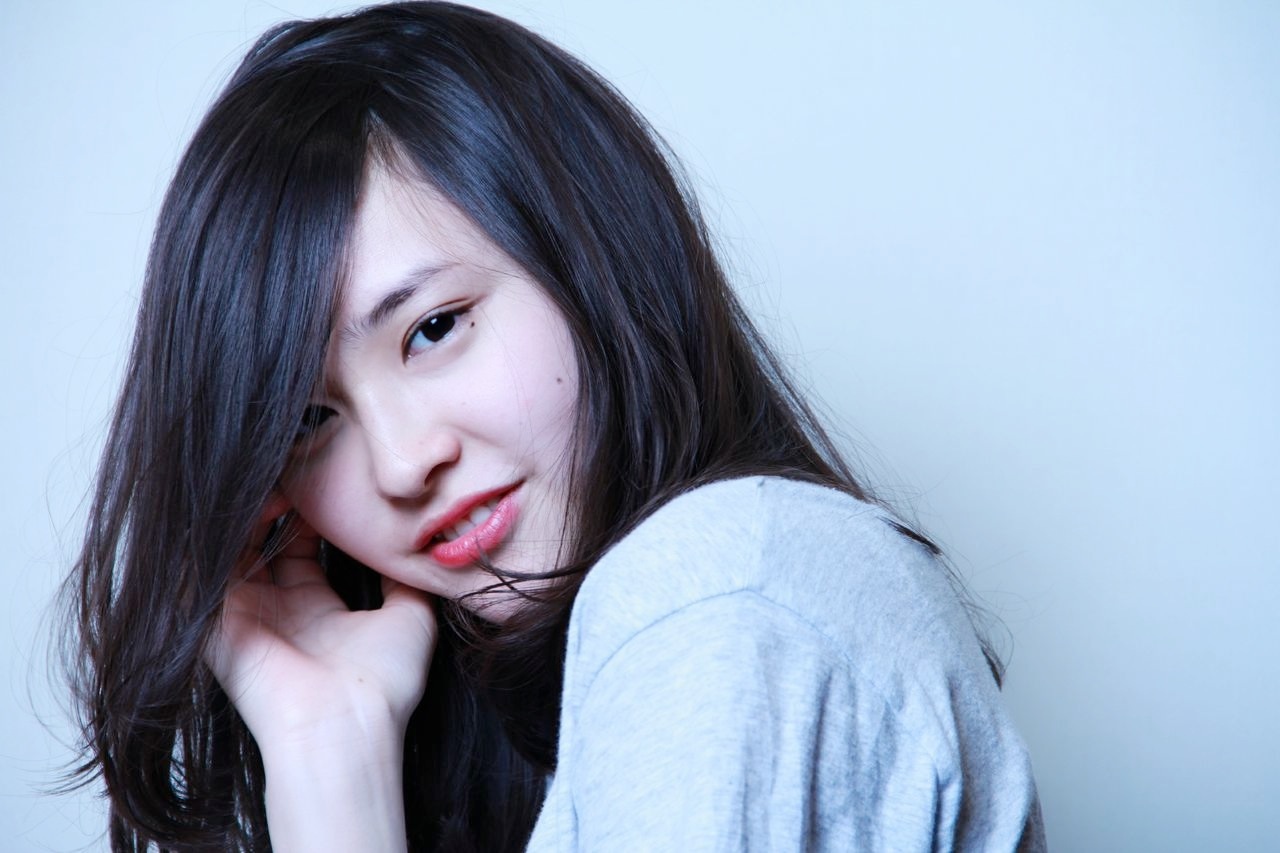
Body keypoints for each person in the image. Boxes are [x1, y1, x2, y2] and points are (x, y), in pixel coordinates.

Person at [65, 2, 1046, 850]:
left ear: (588, 256)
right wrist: (329, 751)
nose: (404, 463)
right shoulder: (584, 684)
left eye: (434, 328)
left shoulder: (712, 587)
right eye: (311, 420)